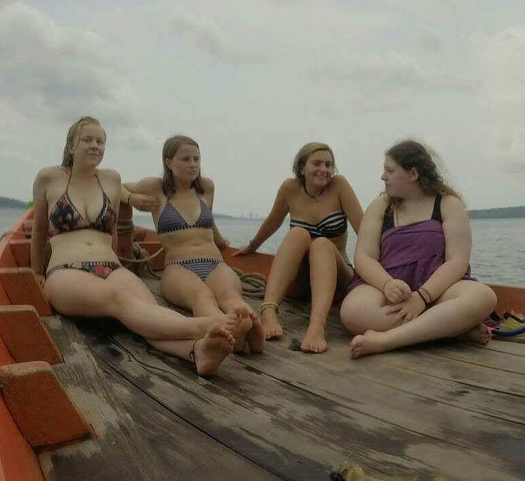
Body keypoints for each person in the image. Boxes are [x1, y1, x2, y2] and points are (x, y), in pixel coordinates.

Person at [31, 117, 243, 376]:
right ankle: (202, 326)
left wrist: (122, 260)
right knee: (119, 299)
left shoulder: (110, 179)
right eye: (87, 140)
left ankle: (196, 350)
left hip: (111, 266)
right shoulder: (48, 177)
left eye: (100, 141)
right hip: (65, 271)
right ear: (71, 145)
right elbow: (40, 229)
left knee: (149, 312)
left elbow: (115, 225)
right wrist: (37, 271)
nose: (94, 146)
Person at [339, 139, 497, 358]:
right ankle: (447, 327)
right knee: (352, 312)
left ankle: (386, 340)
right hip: (388, 290)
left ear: (413, 174)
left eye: (390, 170)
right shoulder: (381, 206)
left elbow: (457, 261)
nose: (383, 177)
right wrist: (387, 284)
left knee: (483, 296)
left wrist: (422, 297)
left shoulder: (447, 204)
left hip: (435, 291)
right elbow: (364, 257)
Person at [123, 136, 265, 354]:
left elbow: (208, 223)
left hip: (214, 261)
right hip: (178, 267)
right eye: (185, 159)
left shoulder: (206, 188)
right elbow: (115, 187)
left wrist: (220, 240)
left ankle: (247, 324)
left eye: (196, 159)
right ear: (169, 162)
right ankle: (230, 331)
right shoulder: (156, 188)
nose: (193, 164)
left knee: (230, 296)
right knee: (202, 297)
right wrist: (131, 199)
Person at [235, 142, 363, 353]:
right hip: (301, 284)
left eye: (329, 164)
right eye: (317, 163)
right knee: (297, 234)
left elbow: (364, 230)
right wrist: (252, 246)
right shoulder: (290, 189)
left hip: (337, 280)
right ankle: (268, 311)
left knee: (321, 244)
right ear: (302, 167)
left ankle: (316, 325)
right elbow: (273, 222)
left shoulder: (339, 186)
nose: (324, 169)